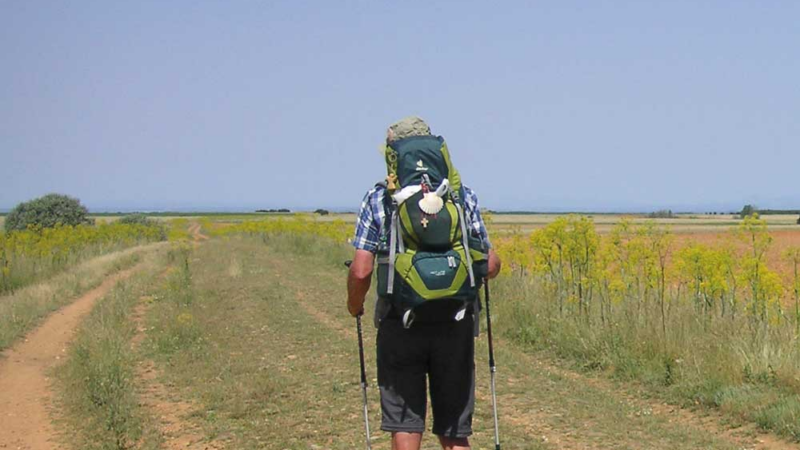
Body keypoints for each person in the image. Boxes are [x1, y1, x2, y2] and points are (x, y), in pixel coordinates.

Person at [347, 116, 501, 450]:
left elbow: (361, 270)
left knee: (405, 423)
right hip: (455, 322)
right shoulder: (461, 197)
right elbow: (490, 264)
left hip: (399, 321)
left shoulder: (378, 199)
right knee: (455, 428)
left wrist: (355, 306)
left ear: (393, 154)